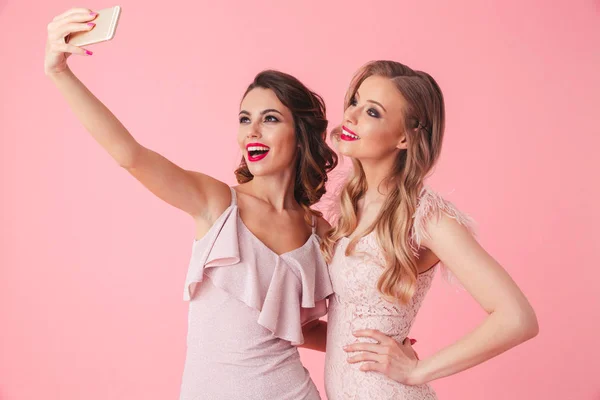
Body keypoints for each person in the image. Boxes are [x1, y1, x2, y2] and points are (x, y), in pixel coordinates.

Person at [44, 8, 338, 399]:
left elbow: (299, 327)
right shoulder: (217, 203)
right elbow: (129, 154)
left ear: (300, 135)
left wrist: (380, 343)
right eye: (244, 118)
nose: (251, 130)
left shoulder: (320, 231)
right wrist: (60, 73)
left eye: (269, 118)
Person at [302, 60, 539, 399]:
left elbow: (518, 318)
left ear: (404, 136)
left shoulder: (425, 216)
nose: (351, 116)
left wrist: (417, 371)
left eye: (373, 112)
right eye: (354, 101)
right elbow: (344, 330)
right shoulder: (350, 207)